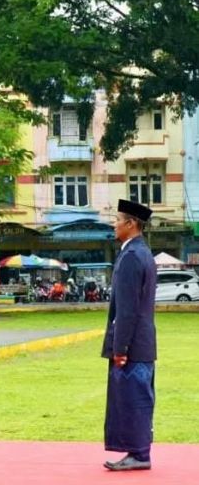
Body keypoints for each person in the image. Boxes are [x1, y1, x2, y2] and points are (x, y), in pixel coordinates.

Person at [102, 199, 157, 472]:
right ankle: (138, 451)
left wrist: (120, 346)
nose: (114, 224)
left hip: (133, 344)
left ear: (131, 223)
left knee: (133, 398)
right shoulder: (142, 253)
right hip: (142, 341)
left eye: (117, 219)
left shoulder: (132, 256)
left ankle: (138, 453)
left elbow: (127, 309)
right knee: (138, 396)